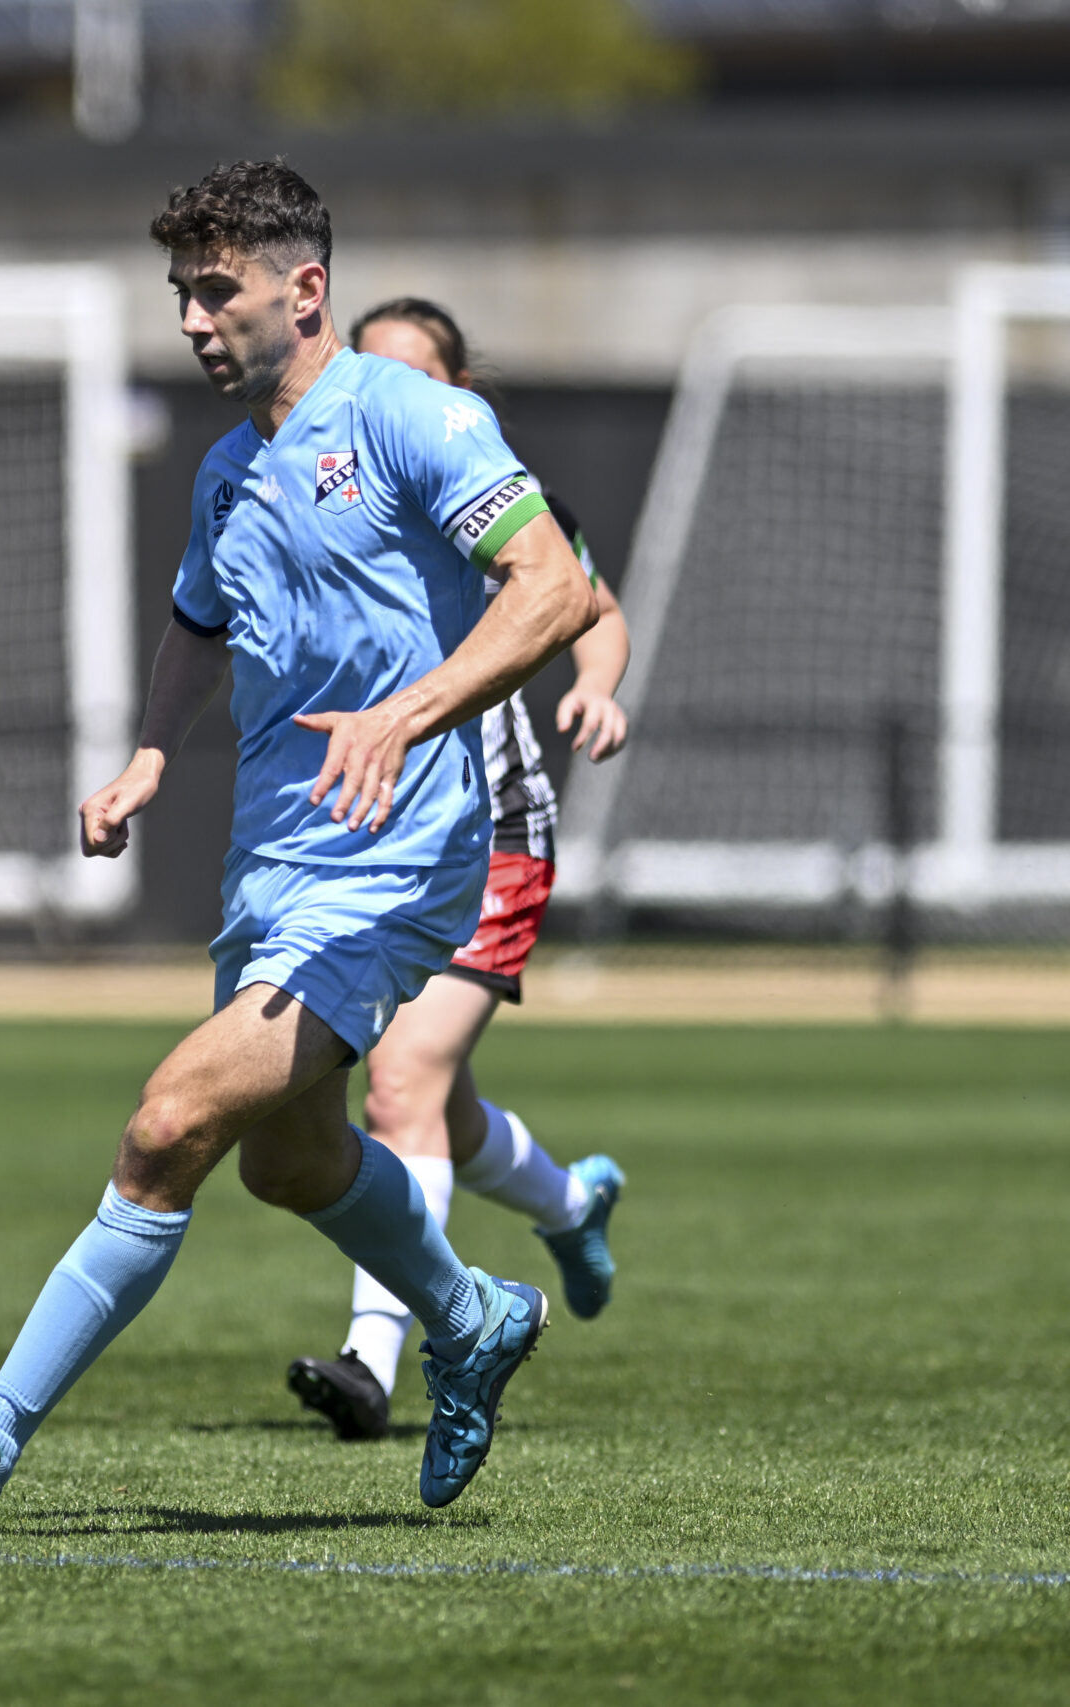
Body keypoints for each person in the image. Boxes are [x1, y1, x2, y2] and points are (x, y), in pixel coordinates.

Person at [0, 160, 600, 1537]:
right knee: (287, 1160)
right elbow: (199, 624)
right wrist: (152, 750)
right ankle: (469, 1313)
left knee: (165, 1130)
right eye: (183, 294)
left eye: (218, 289)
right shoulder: (227, 469)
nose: (196, 318)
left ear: (304, 287)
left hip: (397, 863)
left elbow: (554, 587)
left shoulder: (415, 416)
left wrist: (410, 708)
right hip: (271, 864)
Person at [286, 299, 633, 1442]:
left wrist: (596, 682)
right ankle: (570, 1202)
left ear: (459, 395)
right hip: (371, 834)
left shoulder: (493, 494)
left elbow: (588, 601)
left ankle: (375, 1362)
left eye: (410, 380)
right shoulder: (329, 493)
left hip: (490, 836)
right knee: (436, 1100)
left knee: (398, 1086)